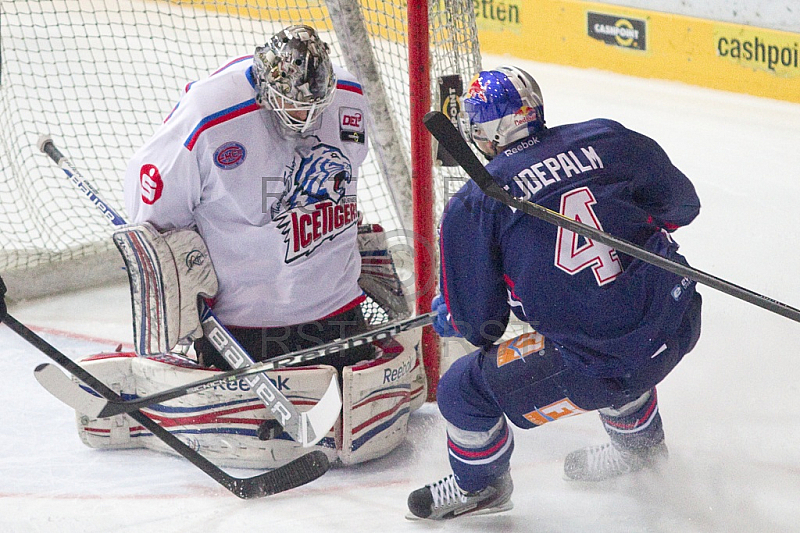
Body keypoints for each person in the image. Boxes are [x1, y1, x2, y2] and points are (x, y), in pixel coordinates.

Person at [407, 65, 702, 520]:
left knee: (462, 390)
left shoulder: (474, 204)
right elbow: (682, 205)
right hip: (678, 319)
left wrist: (453, 313)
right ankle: (638, 450)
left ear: (485, 129)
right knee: (611, 329)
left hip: (601, 366)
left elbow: (482, 327)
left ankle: (481, 487)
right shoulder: (605, 137)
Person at [124, 24, 374, 370]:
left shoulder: (348, 94)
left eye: (316, 106)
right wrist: (171, 266)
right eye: (292, 104)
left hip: (337, 309)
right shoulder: (210, 111)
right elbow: (152, 201)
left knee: (347, 418)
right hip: (243, 328)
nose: (305, 117)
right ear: (265, 85)